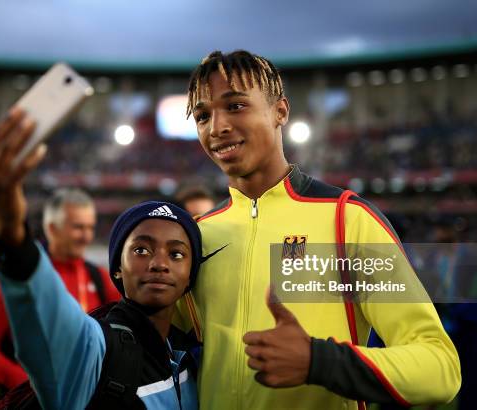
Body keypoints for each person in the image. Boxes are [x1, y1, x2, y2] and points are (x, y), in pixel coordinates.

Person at [173, 50, 461, 409]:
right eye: (202, 116)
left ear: (281, 111)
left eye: (235, 106)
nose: (216, 128)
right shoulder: (196, 236)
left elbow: (440, 367)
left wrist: (319, 361)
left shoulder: (347, 220)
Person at [0, 115, 200, 409]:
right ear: (118, 267)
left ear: (192, 273)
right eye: (141, 250)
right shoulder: (100, 347)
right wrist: (12, 233)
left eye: (176, 253)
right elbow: (50, 322)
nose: (159, 263)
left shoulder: (196, 357)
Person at [0, 188, 121, 399]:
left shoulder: (100, 277)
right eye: (78, 227)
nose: (87, 236)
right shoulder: (23, 279)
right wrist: (30, 386)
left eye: (91, 227)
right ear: (52, 228)